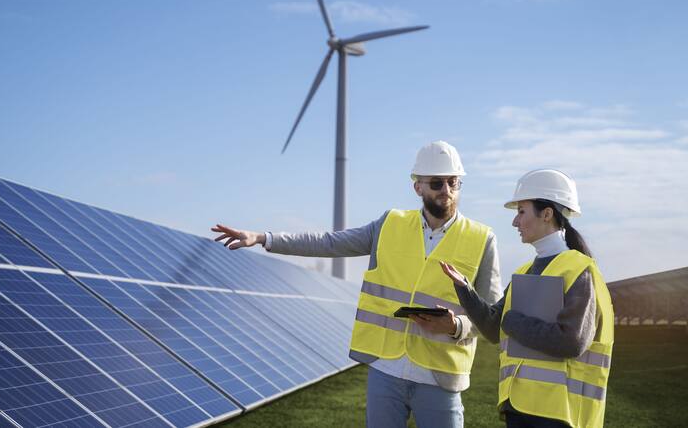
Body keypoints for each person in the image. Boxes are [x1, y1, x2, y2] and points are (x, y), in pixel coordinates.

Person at [212, 141, 502, 428]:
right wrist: (265, 238)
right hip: (386, 371)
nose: (447, 191)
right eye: (437, 183)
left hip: (440, 377)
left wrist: (455, 327)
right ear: (418, 187)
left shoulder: (481, 238)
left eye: (454, 182)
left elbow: (491, 319)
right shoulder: (390, 223)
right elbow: (329, 243)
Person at [439, 169, 614, 428]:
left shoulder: (579, 271)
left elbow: (571, 341)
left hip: (559, 415)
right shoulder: (524, 271)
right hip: (520, 407)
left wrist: (513, 321)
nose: (514, 222)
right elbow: (493, 328)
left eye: (521, 211)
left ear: (547, 214)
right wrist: (464, 288)